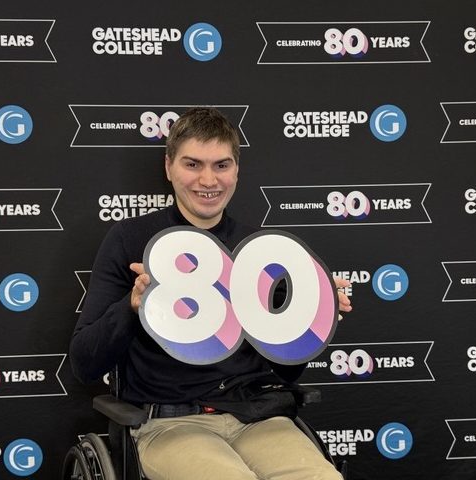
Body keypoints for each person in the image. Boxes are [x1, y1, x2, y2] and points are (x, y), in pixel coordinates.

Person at [70, 107, 352, 480]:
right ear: (168, 166)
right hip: (170, 424)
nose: (208, 179)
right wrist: (132, 306)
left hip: (257, 418)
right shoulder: (129, 241)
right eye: (193, 164)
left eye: (221, 165)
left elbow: (287, 371)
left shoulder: (259, 250)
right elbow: (84, 363)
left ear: (237, 170)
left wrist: (310, 315)